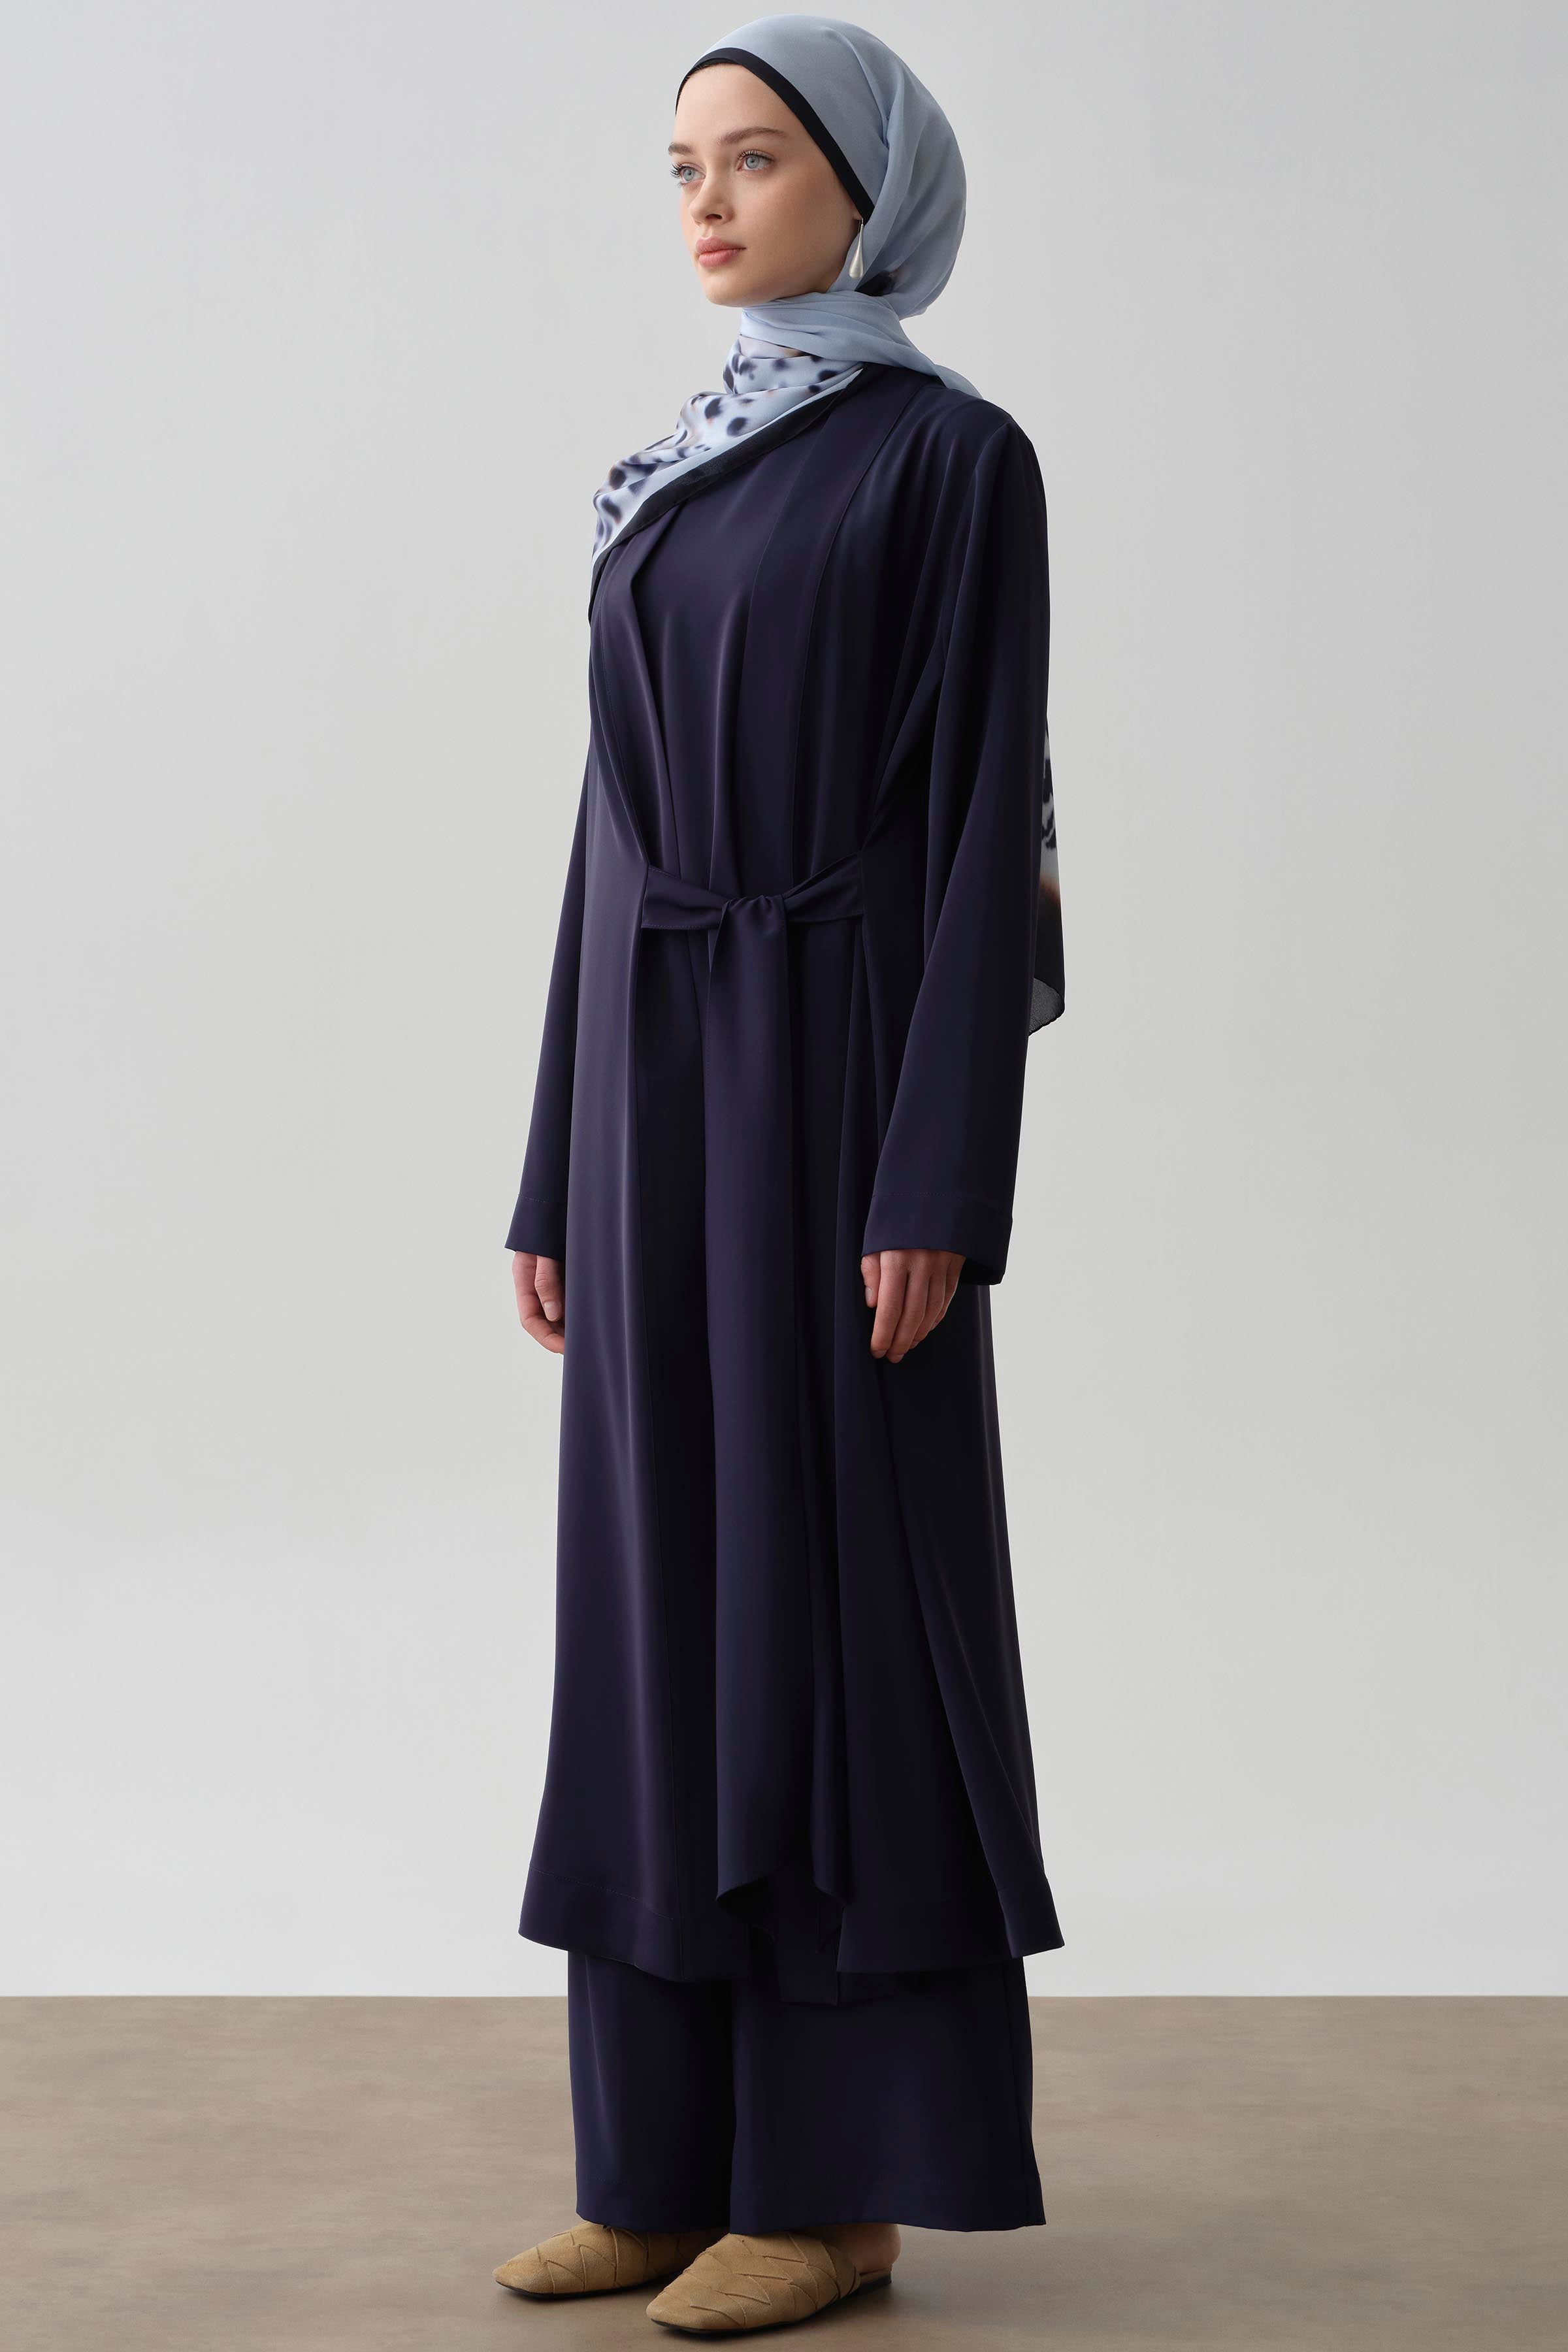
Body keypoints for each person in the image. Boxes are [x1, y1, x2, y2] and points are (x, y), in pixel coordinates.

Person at [493, 14, 1067, 2334]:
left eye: (754, 159)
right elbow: (609, 833)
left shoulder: (952, 462)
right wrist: (552, 1163)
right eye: (683, 167)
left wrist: (940, 1174)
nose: (710, 204)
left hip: (836, 1085)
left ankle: (835, 2196)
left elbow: (981, 825)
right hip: (651, 1093)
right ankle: (656, 2169)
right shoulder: (667, 470)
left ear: (869, 187)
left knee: (827, 1612)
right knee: (653, 1618)